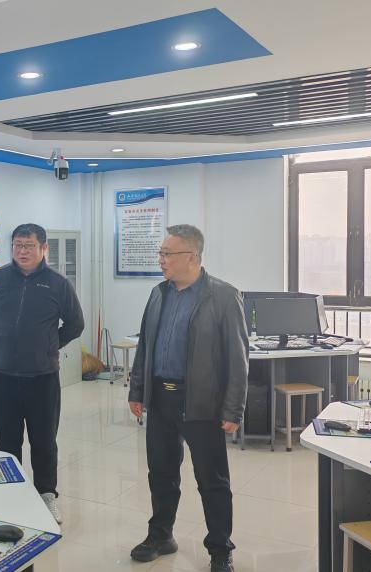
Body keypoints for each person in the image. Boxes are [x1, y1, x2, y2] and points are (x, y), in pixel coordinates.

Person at [127, 224, 248, 572]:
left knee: (212, 481)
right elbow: (145, 345)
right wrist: (137, 390)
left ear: (192, 256)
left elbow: (238, 357)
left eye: (168, 254)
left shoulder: (223, 296)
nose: (161, 260)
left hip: (201, 402)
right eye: (161, 253)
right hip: (160, 399)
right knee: (161, 473)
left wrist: (233, 409)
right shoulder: (158, 294)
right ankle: (160, 535)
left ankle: (220, 550)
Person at [0, 223, 84, 524]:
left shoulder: (57, 284)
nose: (22, 251)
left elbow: (75, 324)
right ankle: (10, 492)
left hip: (42, 377)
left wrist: (49, 344)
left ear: (43, 248)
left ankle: (46, 495)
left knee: (44, 441)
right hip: (4, 376)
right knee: (5, 440)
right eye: (17, 245)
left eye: (29, 245)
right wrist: (2, 340)